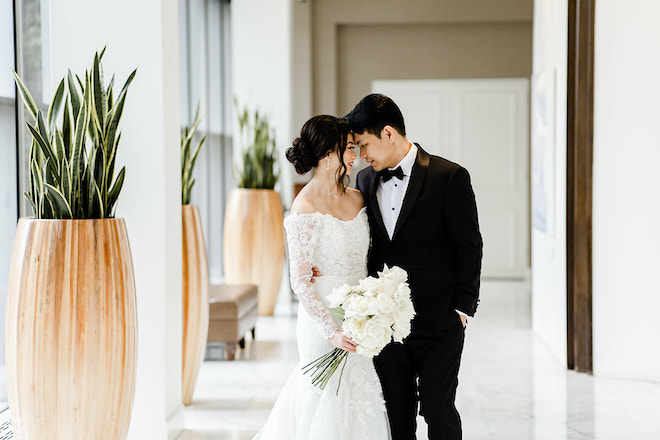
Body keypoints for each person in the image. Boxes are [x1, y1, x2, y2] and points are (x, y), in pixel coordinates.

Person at [346, 93, 483, 440]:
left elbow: (469, 245)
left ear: (389, 134)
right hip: (386, 326)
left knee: (439, 411)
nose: (362, 156)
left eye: (364, 145)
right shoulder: (364, 181)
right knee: (396, 414)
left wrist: (462, 308)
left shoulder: (449, 176)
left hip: (439, 322)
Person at [253, 115, 391, 440]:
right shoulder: (304, 207)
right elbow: (299, 281)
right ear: (328, 154)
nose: (355, 157)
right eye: (349, 149)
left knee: (362, 396)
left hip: (361, 313)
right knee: (325, 398)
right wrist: (331, 332)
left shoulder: (359, 198)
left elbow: (375, 253)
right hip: (323, 321)